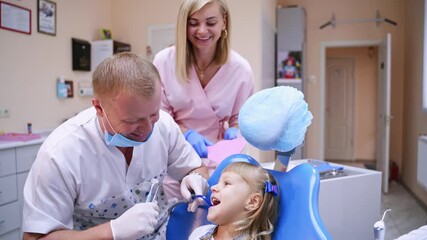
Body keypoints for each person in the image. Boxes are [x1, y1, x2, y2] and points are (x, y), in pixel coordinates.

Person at [22, 52, 209, 240]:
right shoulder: (60, 154)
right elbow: (34, 238)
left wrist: (195, 178)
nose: (147, 129)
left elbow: (195, 168)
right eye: (133, 120)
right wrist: (112, 231)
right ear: (99, 108)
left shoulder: (165, 126)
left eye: (153, 114)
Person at [153, 0, 255, 159]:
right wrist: (186, 134)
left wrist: (236, 132)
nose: (201, 31)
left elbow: (241, 119)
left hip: (218, 161)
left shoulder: (240, 69)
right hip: (174, 157)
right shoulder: (164, 62)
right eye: (193, 23)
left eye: (211, 22)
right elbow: (158, 116)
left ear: (224, 22)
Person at [189, 162, 280, 240]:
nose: (213, 187)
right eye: (218, 182)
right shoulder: (198, 233)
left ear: (252, 202)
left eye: (226, 183)